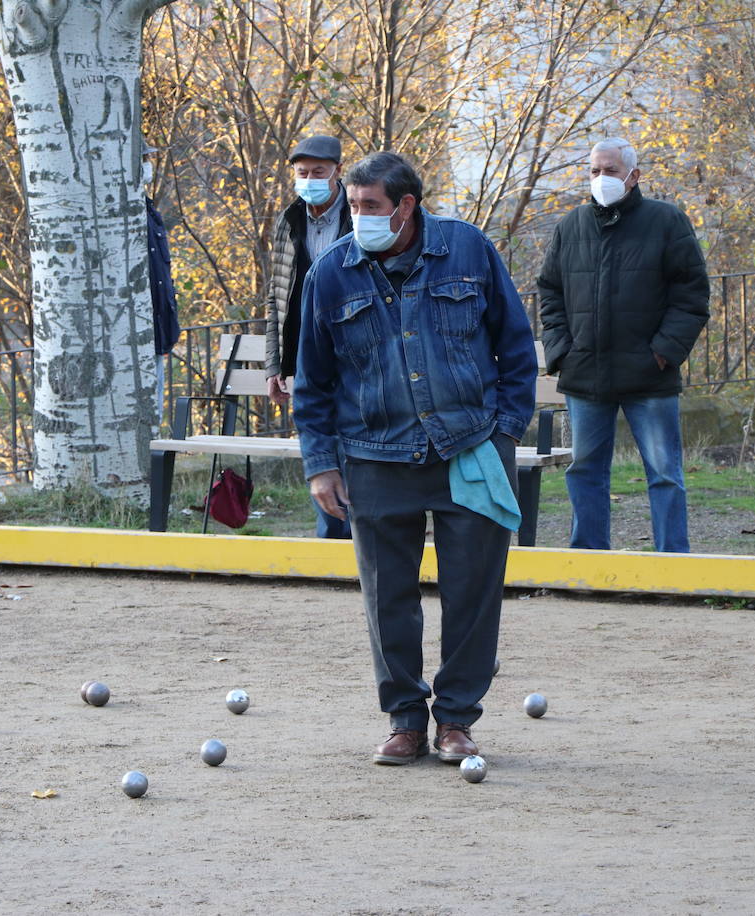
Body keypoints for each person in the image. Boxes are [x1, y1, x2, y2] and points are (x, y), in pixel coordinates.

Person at [294, 152, 538, 767]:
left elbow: (514, 343)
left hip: (470, 450)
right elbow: (313, 381)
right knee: (387, 598)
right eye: (352, 207)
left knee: (473, 593)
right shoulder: (330, 274)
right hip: (374, 456)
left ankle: (455, 719)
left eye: (370, 207)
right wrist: (321, 463)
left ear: (405, 207)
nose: (358, 218)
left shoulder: (468, 249)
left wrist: (504, 429)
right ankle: (405, 720)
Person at [536, 138, 710, 553]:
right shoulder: (571, 225)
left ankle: (673, 563)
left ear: (633, 176)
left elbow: (692, 295)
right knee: (585, 471)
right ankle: (589, 561)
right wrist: (561, 349)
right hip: (585, 373)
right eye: (594, 171)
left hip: (649, 375)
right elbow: (550, 291)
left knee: (665, 473)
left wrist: (663, 351)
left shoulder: (667, 221)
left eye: (610, 171)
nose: (601, 178)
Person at [263, 135, 354, 539]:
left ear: (337, 170)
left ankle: (362, 538)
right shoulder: (289, 220)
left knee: (353, 448)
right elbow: (276, 297)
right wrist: (274, 365)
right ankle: (332, 541)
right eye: (303, 173)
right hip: (303, 357)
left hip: (355, 354)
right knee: (319, 453)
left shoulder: (360, 215)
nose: (310, 179)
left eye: (319, 172)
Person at [144, 144, 180, 412]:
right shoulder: (125, 214)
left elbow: (161, 276)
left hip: (156, 331)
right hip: (138, 334)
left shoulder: (147, 209)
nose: (148, 165)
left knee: (153, 412)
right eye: (143, 159)